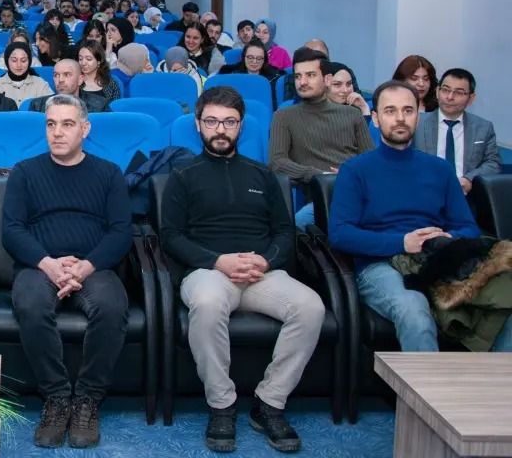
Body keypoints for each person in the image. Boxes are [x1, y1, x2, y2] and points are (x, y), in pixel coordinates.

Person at [162, 86, 322, 454]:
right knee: (206, 302)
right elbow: (170, 236)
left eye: (229, 122)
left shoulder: (262, 175)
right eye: (212, 121)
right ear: (198, 125)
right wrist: (218, 261)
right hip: (208, 271)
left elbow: (285, 231)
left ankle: (270, 403)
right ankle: (221, 405)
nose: (221, 129)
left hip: (260, 271)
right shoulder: (183, 175)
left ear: (241, 126)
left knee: (310, 307)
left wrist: (265, 260)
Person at [329, 80, 512, 352]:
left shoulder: (440, 170)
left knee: (506, 299)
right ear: (376, 119)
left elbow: (467, 227)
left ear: (419, 115)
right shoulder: (355, 170)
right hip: (381, 265)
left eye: (408, 110)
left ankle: (493, 393)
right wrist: (403, 242)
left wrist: (445, 237)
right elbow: (341, 234)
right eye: (390, 111)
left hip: (439, 258)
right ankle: (426, 395)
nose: (400, 118)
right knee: (413, 309)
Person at [3, 94, 130, 448]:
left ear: (85, 129)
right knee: (29, 303)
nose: (57, 132)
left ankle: (87, 398)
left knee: (112, 307)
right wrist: (50, 265)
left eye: (67, 124)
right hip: (40, 264)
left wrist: (84, 268)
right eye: (51, 124)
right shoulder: (26, 172)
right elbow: (11, 230)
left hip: (93, 265)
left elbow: (121, 231)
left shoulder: (108, 173)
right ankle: (57, 397)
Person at [269, 48, 374, 227]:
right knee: (293, 229)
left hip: (359, 194)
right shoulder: (284, 116)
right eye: (297, 76)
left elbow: (372, 162)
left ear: (326, 80)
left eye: (310, 75)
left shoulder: (352, 115)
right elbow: (276, 163)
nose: (302, 82)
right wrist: (321, 176)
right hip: (321, 199)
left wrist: (348, 174)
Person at [412, 68, 500, 195]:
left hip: (466, 197)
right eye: (445, 90)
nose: (450, 97)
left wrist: (469, 179)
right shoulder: (417, 123)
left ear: (471, 98)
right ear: (437, 92)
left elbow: (493, 163)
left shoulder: (483, 127)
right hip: (424, 193)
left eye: (459, 92)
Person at [26, 59, 109, 114]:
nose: (60, 79)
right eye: (56, 75)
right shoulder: (37, 106)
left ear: (80, 79)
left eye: (67, 75)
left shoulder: (100, 106)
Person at [0, 43, 53, 108]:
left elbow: (52, 106)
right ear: (7, 61)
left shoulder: (40, 83)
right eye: (14, 60)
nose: (19, 65)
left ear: (29, 62)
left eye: (23, 61)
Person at [76, 40, 121, 105]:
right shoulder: (74, 82)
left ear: (98, 62)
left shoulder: (111, 83)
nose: (83, 63)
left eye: (88, 59)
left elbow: (115, 109)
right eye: (80, 59)